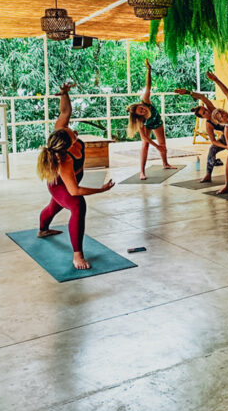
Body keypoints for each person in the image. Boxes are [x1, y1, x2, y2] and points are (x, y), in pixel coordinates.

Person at [37, 83, 115, 270]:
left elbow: (65, 112)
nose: (71, 129)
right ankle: (77, 255)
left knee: (54, 206)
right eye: (72, 133)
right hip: (59, 185)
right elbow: (74, 190)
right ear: (70, 144)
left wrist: (64, 93)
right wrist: (100, 190)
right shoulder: (65, 160)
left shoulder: (61, 133)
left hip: (71, 181)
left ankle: (43, 230)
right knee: (78, 205)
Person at [126, 58, 175, 179]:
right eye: (141, 112)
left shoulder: (146, 100)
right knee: (145, 145)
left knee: (163, 143)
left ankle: (165, 163)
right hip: (149, 125)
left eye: (141, 108)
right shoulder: (140, 121)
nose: (143, 110)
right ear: (139, 116)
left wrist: (149, 70)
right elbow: (144, 137)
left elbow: (148, 85)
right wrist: (156, 146)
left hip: (157, 122)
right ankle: (142, 172)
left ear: (141, 104)